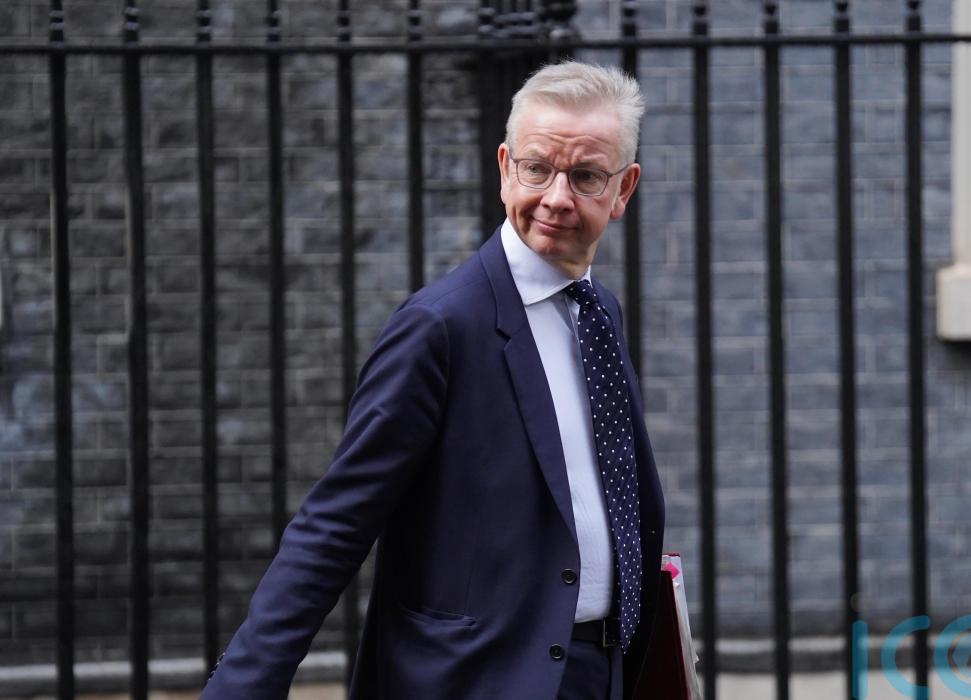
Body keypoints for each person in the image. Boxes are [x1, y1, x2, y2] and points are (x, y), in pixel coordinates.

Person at [200, 61, 665, 700]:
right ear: (505, 169)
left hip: (596, 675)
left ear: (623, 189)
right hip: (473, 681)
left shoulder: (599, 313)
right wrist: (242, 689)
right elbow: (337, 521)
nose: (557, 197)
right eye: (537, 168)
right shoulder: (441, 326)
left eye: (585, 176)